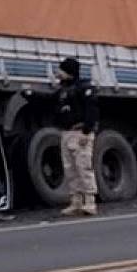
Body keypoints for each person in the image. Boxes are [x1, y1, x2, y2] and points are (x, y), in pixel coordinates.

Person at [55, 57, 100, 216]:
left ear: (69, 71)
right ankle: (76, 201)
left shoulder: (84, 88)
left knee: (83, 167)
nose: (57, 73)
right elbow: (50, 100)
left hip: (80, 131)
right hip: (66, 132)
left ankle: (90, 201)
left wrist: (86, 132)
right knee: (70, 169)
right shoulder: (63, 89)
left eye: (60, 70)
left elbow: (91, 111)